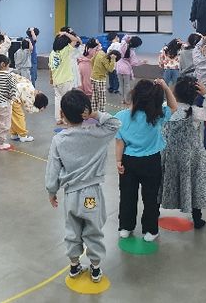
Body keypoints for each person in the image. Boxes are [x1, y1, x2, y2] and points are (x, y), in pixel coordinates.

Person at [45, 89, 121, 283]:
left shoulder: (59, 140)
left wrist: (51, 190)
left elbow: (53, 169)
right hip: (91, 196)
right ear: (85, 112)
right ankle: (95, 267)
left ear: (62, 114)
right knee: (92, 229)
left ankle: (74, 265)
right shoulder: (97, 134)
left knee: (72, 230)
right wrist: (94, 114)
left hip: (71, 195)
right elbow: (115, 123)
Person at [116, 79, 177, 242]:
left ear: (134, 96)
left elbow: (119, 142)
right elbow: (174, 106)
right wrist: (165, 87)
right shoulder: (157, 116)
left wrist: (118, 161)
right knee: (151, 197)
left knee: (127, 195)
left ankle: (126, 227)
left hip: (128, 161)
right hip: (151, 161)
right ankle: (150, 230)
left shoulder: (121, 117)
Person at [160, 76, 206, 229]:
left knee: (162, 181)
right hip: (190, 155)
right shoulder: (194, 112)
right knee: (194, 184)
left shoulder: (165, 107)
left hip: (167, 153)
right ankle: (197, 218)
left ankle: (153, 211)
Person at [49, 31, 82, 124]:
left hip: (56, 80)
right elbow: (75, 40)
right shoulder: (66, 50)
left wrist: (51, 78)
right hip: (66, 80)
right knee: (67, 100)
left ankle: (58, 119)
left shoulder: (52, 53)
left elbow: (50, 68)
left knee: (58, 99)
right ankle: (66, 119)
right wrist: (65, 33)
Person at [10, 73, 48, 142]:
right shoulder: (30, 96)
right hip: (13, 99)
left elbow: (21, 78)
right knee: (19, 117)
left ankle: (14, 134)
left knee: (14, 118)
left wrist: (12, 75)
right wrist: (38, 110)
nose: (39, 91)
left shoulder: (31, 86)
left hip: (10, 95)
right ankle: (23, 136)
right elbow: (29, 109)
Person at [116, 36, 146, 105]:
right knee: (127, 85)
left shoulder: (123, 45)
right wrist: (142, 62)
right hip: (126, 70)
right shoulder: (132, 52)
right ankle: (127, 100)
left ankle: (122, 100)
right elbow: (134, 63)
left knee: (121, 85)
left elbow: (124, 38)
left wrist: (129, 37)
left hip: (119, 68)